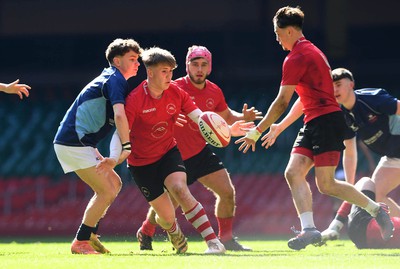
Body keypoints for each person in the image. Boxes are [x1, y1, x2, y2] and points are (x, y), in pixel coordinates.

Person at [234, 6, 394, 250]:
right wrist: (279, 126)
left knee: (326, 184)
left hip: (326, 122)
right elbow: (304, 97)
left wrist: (257, 131)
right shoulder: (312, 51)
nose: (276, 39)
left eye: (278, 33)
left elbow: (282, 101)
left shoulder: (296, 57)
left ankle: (376, 210)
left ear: (288, 31)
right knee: (293, 172)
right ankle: (309, 230)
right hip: (313, 121)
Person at [121, 46, 251, 254]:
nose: (199, 69)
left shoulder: (212, 90)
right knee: (168, 208)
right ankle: (147, 230)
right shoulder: (170, 87)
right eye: (195, 64)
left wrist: (230, 128)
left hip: (196, 153)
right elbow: (125, 127)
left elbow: (213, 118)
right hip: (168, 154)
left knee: (225, 192)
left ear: (209, 68)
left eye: (204, 65)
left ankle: (222, 240)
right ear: (188, 66)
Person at [53, 38, 143, 254]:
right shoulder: (115, 79)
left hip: (78, 143)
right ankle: (81, 242)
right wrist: (127, 147)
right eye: (132, 59)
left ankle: (90, 233)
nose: (137, 63)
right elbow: (120, 116)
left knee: (114, 183)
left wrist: (118, 151)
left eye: (138, 60)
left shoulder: (112, 78)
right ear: (117, 60)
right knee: (105, 190)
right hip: (73, 143)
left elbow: (118, 120)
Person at [331, 68, 400, 215]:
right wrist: (349, 187)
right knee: (376, 196)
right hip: (393, 156)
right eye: (331, 86)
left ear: (351, 85)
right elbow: (349, 152)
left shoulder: (371, 98)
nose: (334, 89)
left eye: (338, 84)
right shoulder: (342, 117)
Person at [320, 177, 400, 249]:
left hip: (362, 227)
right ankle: (334, 227)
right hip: (365, 239)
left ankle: (334, 226)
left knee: (365, 181)